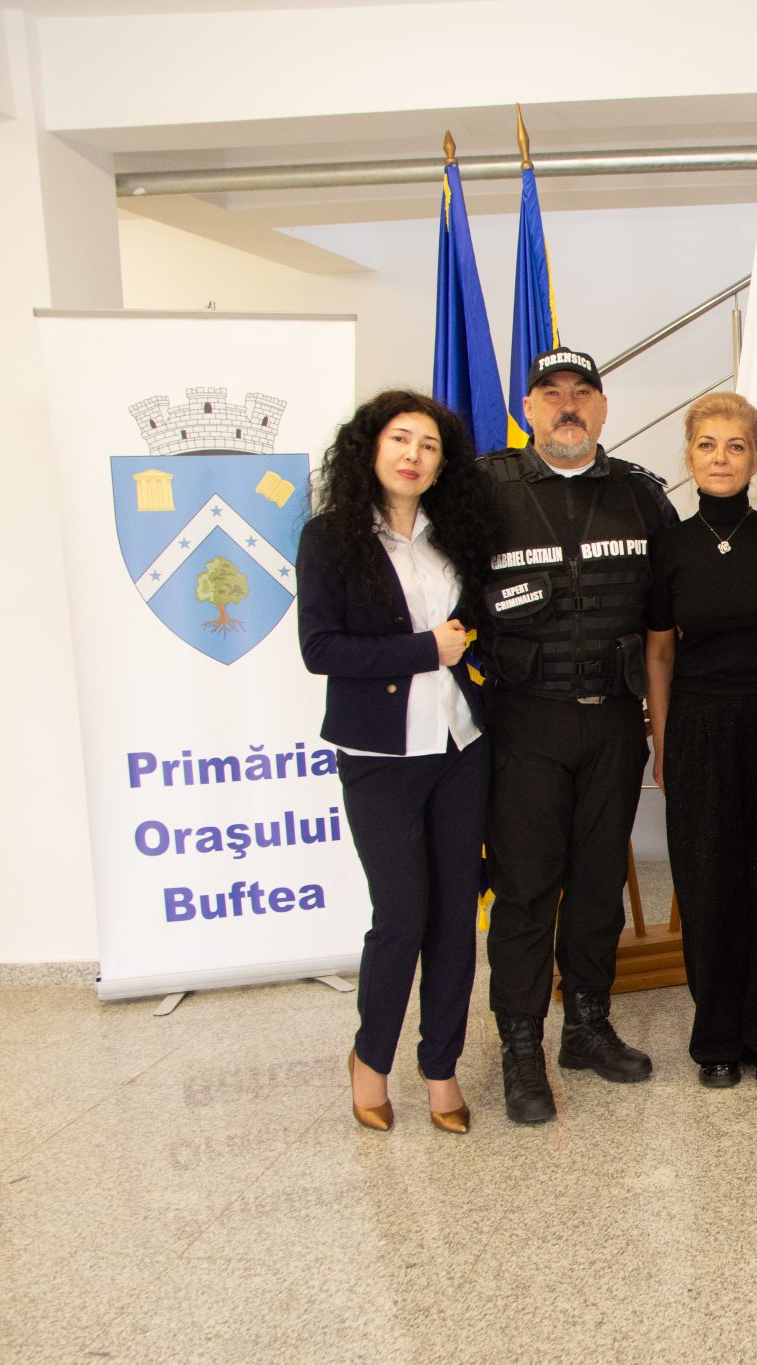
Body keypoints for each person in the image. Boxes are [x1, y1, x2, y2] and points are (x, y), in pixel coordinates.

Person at [476, 347, 677, 1125]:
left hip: (613, 721)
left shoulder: (641, 496)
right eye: (551, 392)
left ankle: (587, 1025)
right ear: (528, 408)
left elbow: (668, 620)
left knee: (597, 881)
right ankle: (521, 1044)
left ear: (602, 407)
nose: (567, 404)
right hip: (526, 722)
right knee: (526, 888)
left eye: (581, 392)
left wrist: (667, 727)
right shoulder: (485, 494)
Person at [296, 390, 492, 1134]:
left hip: (461, 747)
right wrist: (423, 650)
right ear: (371, 449)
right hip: (380, 755)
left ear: (443, 464)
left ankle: (441, 1067)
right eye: (400, 439)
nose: (413, 455)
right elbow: (321, 649)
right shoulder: (330, 537)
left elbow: (475, 624)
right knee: (402, 916)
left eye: (429, 445)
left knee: (455, 918)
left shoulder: (455, 535)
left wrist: (462, 645)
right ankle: (370, 1059)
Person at [644, 393, 757, 1090]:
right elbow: (658, 653)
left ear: (756, 458)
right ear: (688, 456)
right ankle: (716, 1038)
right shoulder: (669, 545)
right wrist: (662, 740)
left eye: (736, 445)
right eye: (707, 444)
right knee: (707, 882)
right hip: (697, 724)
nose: (720, 457)